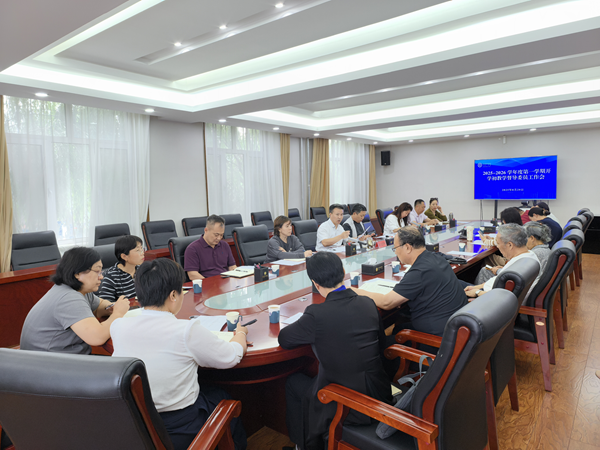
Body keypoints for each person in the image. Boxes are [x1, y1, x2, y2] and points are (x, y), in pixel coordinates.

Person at [111, 258, 248, 450]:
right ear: (173, 295)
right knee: (222, 396)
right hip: (180, 427)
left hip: (136, 423)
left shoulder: (118, 326)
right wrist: (241, 334)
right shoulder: (185, 330)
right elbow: (231, 357)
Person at [279, 252, 391, 450]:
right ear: (344, 272)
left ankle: (303, 446)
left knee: (293, 382)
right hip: (379, 392)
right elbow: (382, 348)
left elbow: (285, 339)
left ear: (315, 283)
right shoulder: (368, 303)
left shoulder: (316, 314)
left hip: (347, 404)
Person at [353, 227, 467, 337]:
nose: (395, 252)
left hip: (436, 339)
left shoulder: (420, 271)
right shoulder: (436, 258)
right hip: (455, 329)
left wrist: (354, 290)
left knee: (384, 343)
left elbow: (386, 302)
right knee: (398, 328)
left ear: (407, 247)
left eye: (395, 248)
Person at [20, 247, 130, 354]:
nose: (101, 277)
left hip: (60, 357)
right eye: (97, 271)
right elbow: (97, 337)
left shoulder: (76, 290)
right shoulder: (69, 298)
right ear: (77, 273)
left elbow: (99, 305)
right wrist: (118, 314)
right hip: (50, 362)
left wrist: (110, 307)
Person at [464, 224, 541, 299]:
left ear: (510, 245)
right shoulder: (530, 256)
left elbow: (500, 298)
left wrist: (477, 292)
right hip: (487, 291)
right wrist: (475, 287)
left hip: (487, 298)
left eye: (498, 243)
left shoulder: (515, 269)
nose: (497, 246)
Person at [184, 214, 237, 280]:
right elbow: (192, 274)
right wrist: (210, 283)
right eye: (216, 235)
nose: (219, 238)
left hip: (225, 281)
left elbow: (232, 267)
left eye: (221, 235)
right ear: (206, 230)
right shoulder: (193, 249)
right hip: (207, 283)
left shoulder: (224, 245)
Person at [98, 235, 144, 301]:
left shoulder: (143, 270)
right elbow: (105, 304)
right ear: (124, 256)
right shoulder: (111, 277)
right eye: (138, 250)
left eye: (142, 248)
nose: (142, 253)